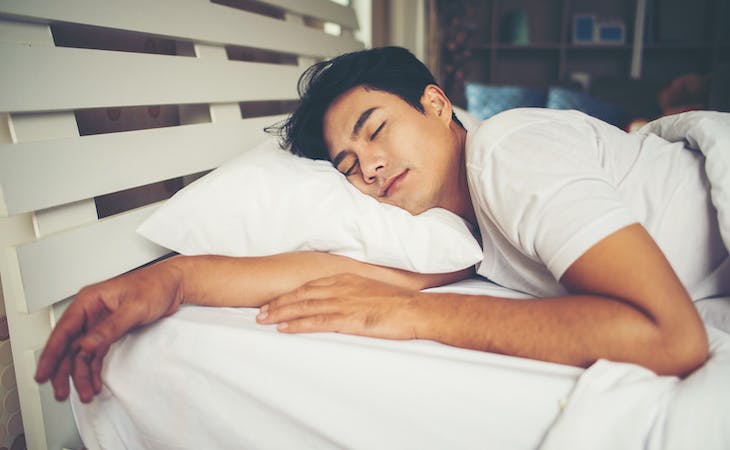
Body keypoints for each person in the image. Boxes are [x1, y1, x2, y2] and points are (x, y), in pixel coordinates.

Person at [37, 47, 726, 405]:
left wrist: (418, 317)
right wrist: (169, 279)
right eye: (348, 163)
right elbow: (334, 271)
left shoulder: (508, 154)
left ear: (435, 104)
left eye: (376, 130)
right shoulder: (457, 233)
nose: (367, 166)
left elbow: (672, 339)